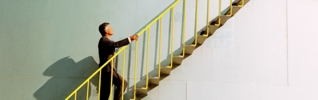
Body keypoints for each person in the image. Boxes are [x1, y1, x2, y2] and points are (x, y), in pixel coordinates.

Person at [98, 22, 138, 100]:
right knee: (123, 83)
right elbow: (116, 44)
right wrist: (130, 38)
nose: (112, 29)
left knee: (105, 94)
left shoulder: (105, 41)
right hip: (108, 70)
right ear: (106, 31)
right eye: (110, 28)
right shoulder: (104, 40)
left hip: (107, 70)